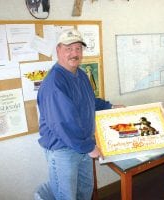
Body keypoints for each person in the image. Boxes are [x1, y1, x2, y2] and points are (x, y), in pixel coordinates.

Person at [37, 28, 120, 200]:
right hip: (63, 150)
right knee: (66, 196)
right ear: (58, 50)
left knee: (85, 190)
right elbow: (63, 124)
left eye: (78, 48)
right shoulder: (54, 84)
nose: (74, 53)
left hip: (82, 144)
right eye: (69, 48)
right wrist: (89, 147)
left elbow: (89, 101)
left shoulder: (80, 74)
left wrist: (109, 106)